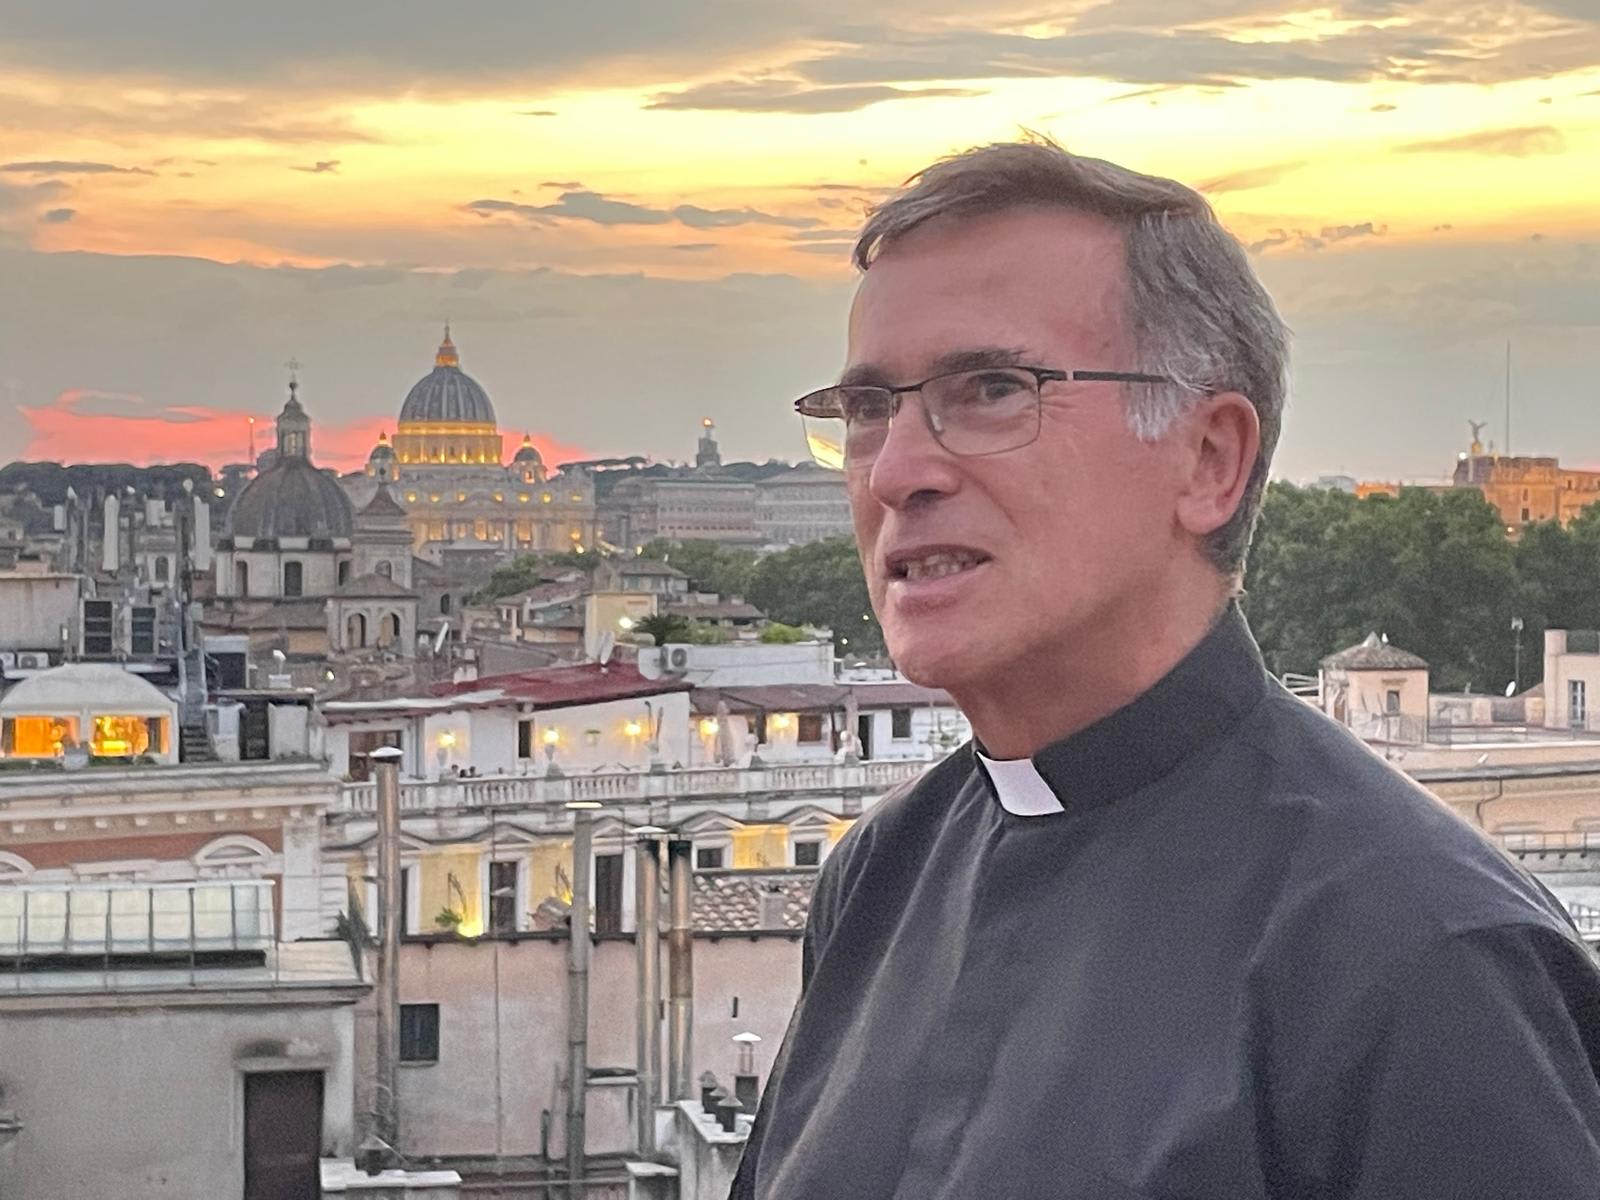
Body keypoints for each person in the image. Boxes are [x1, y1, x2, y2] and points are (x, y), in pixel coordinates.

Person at [730, 138, 1600, 1199]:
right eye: (870, 409)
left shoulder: (1425, 954)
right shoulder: (879, 875)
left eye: (992, 389)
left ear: (1208, 460)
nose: (897, 472)